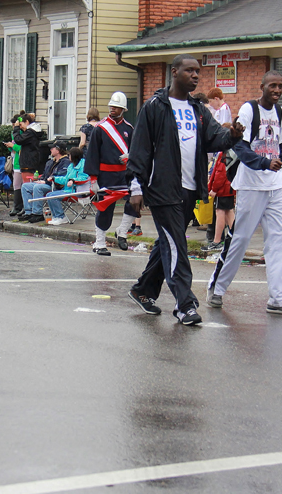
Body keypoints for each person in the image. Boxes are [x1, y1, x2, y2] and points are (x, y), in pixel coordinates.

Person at [126, 54, 243, 326]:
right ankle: (184, 304)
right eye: (189, 70)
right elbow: (140, 148)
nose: (195, 75)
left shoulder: (199, 109)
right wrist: (135, 186)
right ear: (174, 72)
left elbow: (215, 137)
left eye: (197, 71)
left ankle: (143, 290)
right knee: (177, 245)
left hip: (190, 189)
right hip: (162, 189)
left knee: (168, 242)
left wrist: (233, 136)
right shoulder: (155, 106)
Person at [206, 70, 282, 316]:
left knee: (279, 242)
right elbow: (240, 147)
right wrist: (265, 164)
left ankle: (278, 298)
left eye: (280, 86)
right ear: (262, 86)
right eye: (272, 86)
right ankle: (217, 288)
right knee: (240, 239)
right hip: (251, 185)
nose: (276, 90)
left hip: (276, 187)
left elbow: (278, 151)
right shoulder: (248, 110)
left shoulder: (280, 113)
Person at [84, 92, 139, 255]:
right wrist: (93, 180)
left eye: (116, 107)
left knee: (136, 202)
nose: (112, 110)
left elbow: (135, 151)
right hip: (105, 176)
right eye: (111, 107)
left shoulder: (129, 128)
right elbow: (92, 154)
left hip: (125, 175)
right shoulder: (100, 129)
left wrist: (130, 156)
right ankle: (99, 242)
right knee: (105, 209)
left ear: (123, 110)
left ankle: (122, 231)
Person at [19, 142, 70, 222]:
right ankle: (28, 212)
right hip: (46, 183)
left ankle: (37, 213)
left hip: (55, 186)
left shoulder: (65, 162)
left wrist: (45, 182)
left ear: (58, 150)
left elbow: (61, 176)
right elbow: (45, 174)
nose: (50, 150)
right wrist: (40, 179)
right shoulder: (50, 162)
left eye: (52, 148)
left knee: (38, 187)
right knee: (25, 186)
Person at [45, 145, 88, 225]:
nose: (68, 156)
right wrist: (54, 178)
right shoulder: (71, 166)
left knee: (53, 197)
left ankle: (61, 217)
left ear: (74, 156)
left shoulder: (83, 165)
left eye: (70, 155)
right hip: (68, 190)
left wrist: (73, 180)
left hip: (78, 191)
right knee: (49, 195)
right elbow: (65, 179)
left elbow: (84, 178)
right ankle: (56, 217)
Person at [204, 149, 236, 251]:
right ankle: (234, 239)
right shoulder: (232, 153)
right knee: (229, 212)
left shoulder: (224, 154)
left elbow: (220, 173)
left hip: (223, 189)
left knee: (220, 212)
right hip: (229, 187)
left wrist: (214, 189)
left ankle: (217, 241)